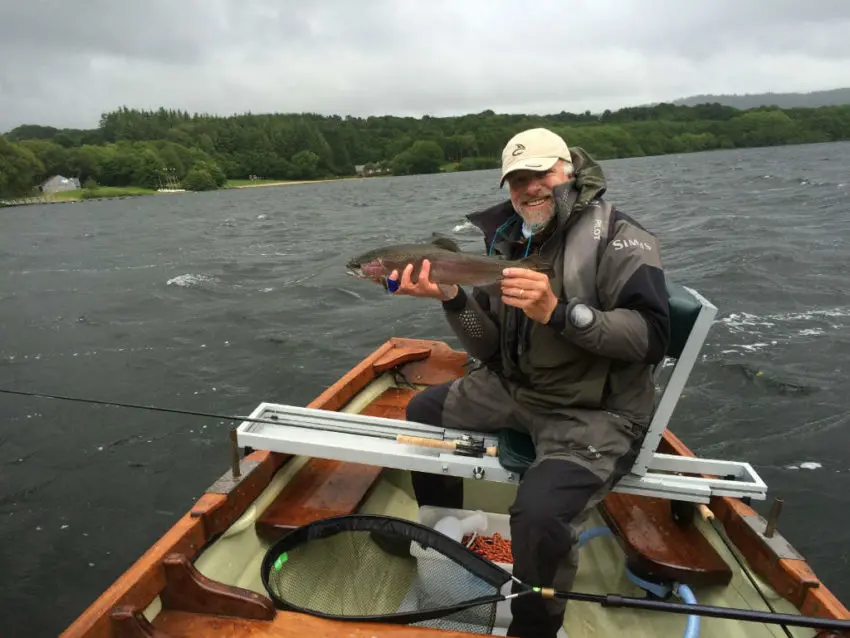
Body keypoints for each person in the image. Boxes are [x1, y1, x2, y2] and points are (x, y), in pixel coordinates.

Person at [386, 128, 670, 638]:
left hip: (594, 411)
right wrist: (451, 297)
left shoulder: (622, 237)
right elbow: (489, 347)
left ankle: (535, 627)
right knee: (424, 412)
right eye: (517, 179)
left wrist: (559, 313)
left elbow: (650, 337)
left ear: (569, 172)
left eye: (539, 173)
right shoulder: (507, 241)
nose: (529, 188)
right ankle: (445, 530)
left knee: (537, 516)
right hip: (516, 390)